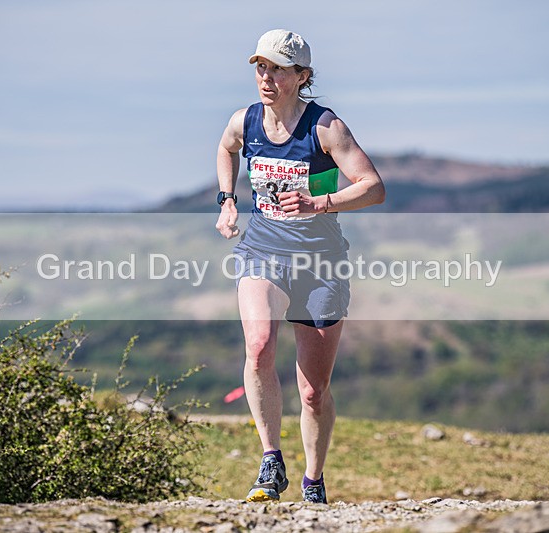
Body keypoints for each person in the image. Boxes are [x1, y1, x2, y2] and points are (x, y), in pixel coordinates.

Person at [215, 29, 385, 504]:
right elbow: (226, 149)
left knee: (314, 391)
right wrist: (228, 200)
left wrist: (320, 203)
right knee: (259, 344)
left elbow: (373, 187)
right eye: (260, 67)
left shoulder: (325, 128)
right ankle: (271, 460)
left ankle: (313, 478)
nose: (266, 78)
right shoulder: (244, 121)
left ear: (302, 76)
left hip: (320, 263)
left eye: (278, 69)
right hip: (261, 251)